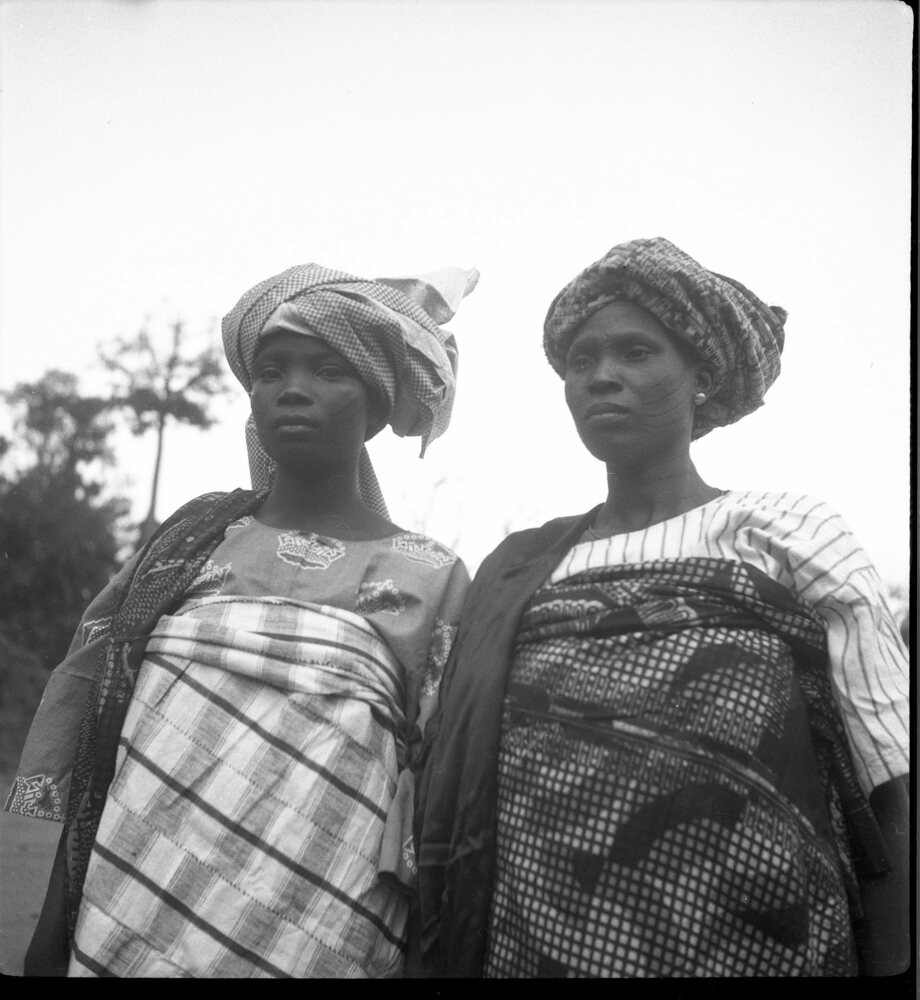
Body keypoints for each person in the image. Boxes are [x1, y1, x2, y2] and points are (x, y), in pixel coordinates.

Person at [414, 237, 909, 978]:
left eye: (636, 352)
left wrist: (898, 966)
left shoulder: (785, 531)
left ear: (702, 376)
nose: (602, 377)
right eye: (581, 362)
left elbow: (889, 773)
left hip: (762, 943)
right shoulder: (521, 569)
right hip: (534, 946)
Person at [8, 260, 477, 978]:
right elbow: (106, 742)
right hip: (125, 912)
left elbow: (438, 800)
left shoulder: (428, 576)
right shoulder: (191, 544)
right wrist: (49, 940)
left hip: (323, 931)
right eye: (272, 369)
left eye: (328, 370)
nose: (293, 389)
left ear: (379, 405)